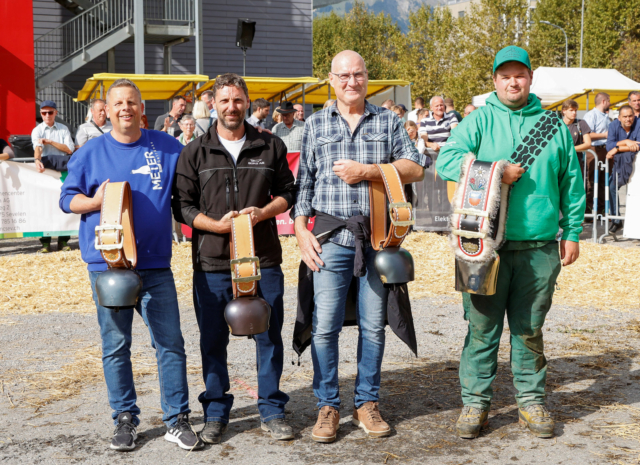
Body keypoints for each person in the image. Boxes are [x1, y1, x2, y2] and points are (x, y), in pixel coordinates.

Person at [436, 46, 585, 440]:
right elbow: (445, 161)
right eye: (505, 76)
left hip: (539, 248)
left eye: (519, 74)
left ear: (530, 78)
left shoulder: (553, 126)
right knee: (481, 329)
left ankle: (531, 402)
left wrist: (571, 233)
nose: (512, 82)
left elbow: (572, 183)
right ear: (495, 81)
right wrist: (496, 171)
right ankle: (475, 404)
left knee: (528, 329)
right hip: (483, 247)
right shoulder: (480, 120)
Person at [59, 78, 202, 452]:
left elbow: (198, 172)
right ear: (106, 109)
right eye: (118, 103)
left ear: (141, 108)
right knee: (116, 345)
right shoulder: (89, 152)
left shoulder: (167, 146)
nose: (126, 108)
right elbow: (66, 200)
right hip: (107, 266)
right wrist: (95, 201)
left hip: (156, 264)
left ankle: (176, 419)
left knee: (170, 344)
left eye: (132, 102)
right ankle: (125, 419)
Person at [293, 50, 425, 444]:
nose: (352, 81)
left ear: (367, 77)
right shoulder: (315, 125)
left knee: (373, 326)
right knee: (324, 327)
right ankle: (327, 405)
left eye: (359, 74)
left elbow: (416, 166)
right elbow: (304, 186)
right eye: (344, 75)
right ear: (330, 80)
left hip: (378, 237)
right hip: (329, 239)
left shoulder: (387, 121)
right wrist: (301, 231)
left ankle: (366, 402)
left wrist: (368, 172)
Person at [172, 73, 296, 444]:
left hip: (264, 259)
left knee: (269, 336)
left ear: (247, 102)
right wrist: (216, 226)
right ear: (213, 104)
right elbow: (182, 207)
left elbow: (288, 193)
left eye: (238, 100)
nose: (231, 107)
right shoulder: (194, 151)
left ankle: (272, 408)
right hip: (212, 261)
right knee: (212, 340)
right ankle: (215, 411)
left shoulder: (270, 145)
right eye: (224, 100)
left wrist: (262, 212)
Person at [32, 100, 75, 253]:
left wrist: (49, 141)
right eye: (44, 113)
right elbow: (37, 147)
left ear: (56, 113)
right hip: (48, 172)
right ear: (41, 114)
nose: (47, 115)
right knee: (45, 206)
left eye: (50, 112)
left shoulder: (64, 129)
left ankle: (63, 241)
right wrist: (37, 159)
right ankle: (45, 243)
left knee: (64, 203)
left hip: (62, 171)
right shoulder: (37, 130)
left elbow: (69, 149)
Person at [605, 105, 640, 233]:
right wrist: (627, 141)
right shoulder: (613, 126)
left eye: (630, 116)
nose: (628, 119)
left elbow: (638, 145)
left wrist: (618, 148)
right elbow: (609, 146)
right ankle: (616, 220)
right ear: (619, 118)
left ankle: (636, 224)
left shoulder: (639, 123)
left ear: (634, 116)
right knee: (612, 187)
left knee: (636, 192)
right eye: (624, 116)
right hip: (619, 164)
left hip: (637, 164)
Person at [583, 93, 611, 216]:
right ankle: (589, 213)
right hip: (594, 150)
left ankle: (601, 212)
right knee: (591, 182)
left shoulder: (606, 116)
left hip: (605, 151)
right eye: (609, 101)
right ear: (604, 101)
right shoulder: (591, 115)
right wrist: (604, 135)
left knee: (603, 182)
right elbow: (587, 135)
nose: (610, 103)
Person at [561, 100, 592, 175]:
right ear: (564, 111)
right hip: (559, 161)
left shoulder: (581, 123)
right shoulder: (557, 124)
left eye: (575, 110)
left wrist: (571, 149)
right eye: (571, 110)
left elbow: (588, 144)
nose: (574, 113)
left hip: (576, 162)